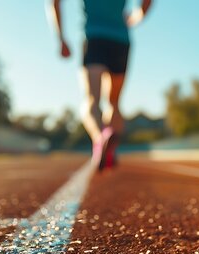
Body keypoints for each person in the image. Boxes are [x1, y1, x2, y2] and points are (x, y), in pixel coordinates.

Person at [50, 0, 152, 170]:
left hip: (94, 37)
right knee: (114, 102)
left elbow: (54, 3)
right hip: (121, 40)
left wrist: (60, 37)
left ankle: (100, 139)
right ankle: (110, 150)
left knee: (91, 99)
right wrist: (135, 17)